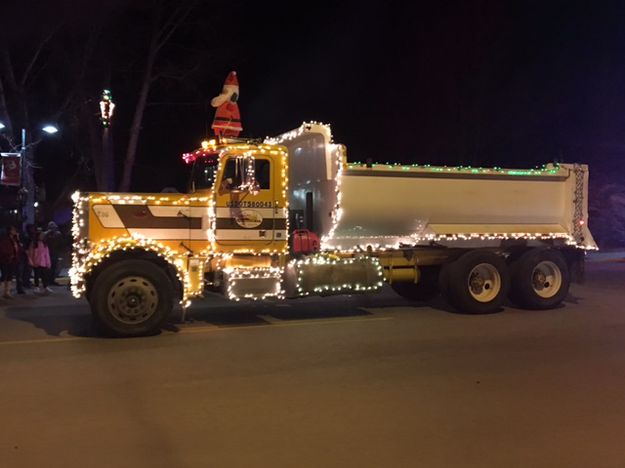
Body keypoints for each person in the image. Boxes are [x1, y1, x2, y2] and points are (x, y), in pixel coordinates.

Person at [0, 226, 23, 298]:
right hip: (5, 260)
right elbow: (3, 249)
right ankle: (1, 292)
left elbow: (19, 248)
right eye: (13, 230)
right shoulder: (5, 239)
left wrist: (18, 240)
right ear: (9, 231)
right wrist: (8, 255)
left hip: (13, 260)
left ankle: (7, 292)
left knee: (10, 276)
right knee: (4, 275)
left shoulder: (15, 239)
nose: (15, 231)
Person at [44, 221, 63, 286]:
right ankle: (48, 280)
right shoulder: (46, 234)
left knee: (54, 267)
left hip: (54, 252)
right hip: (48, 253)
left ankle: (51, 280)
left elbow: (60, 243)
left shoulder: (57, 234)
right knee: (48, 268)